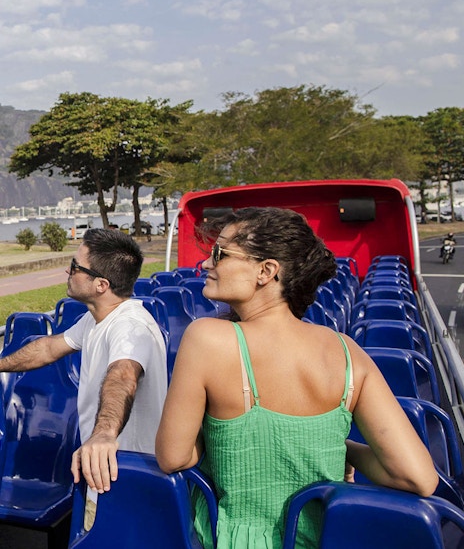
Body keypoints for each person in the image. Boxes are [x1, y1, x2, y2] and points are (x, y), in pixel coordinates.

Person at [155, 207, 438, 549]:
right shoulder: (347, 352)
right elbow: (419, 477)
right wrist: (345, 449)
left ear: (266, 271)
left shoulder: (207, 338)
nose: (207, 264)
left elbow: (173, 457)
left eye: (220, 253)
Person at [0, 228, 167, 502]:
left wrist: (103, 435)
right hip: (104, 469)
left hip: (122, 473)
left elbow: (123, 374)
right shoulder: (96, 318)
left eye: (76, 267)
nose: (69, 271)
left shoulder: (129, 326)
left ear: (101, 284)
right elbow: (48, 348)